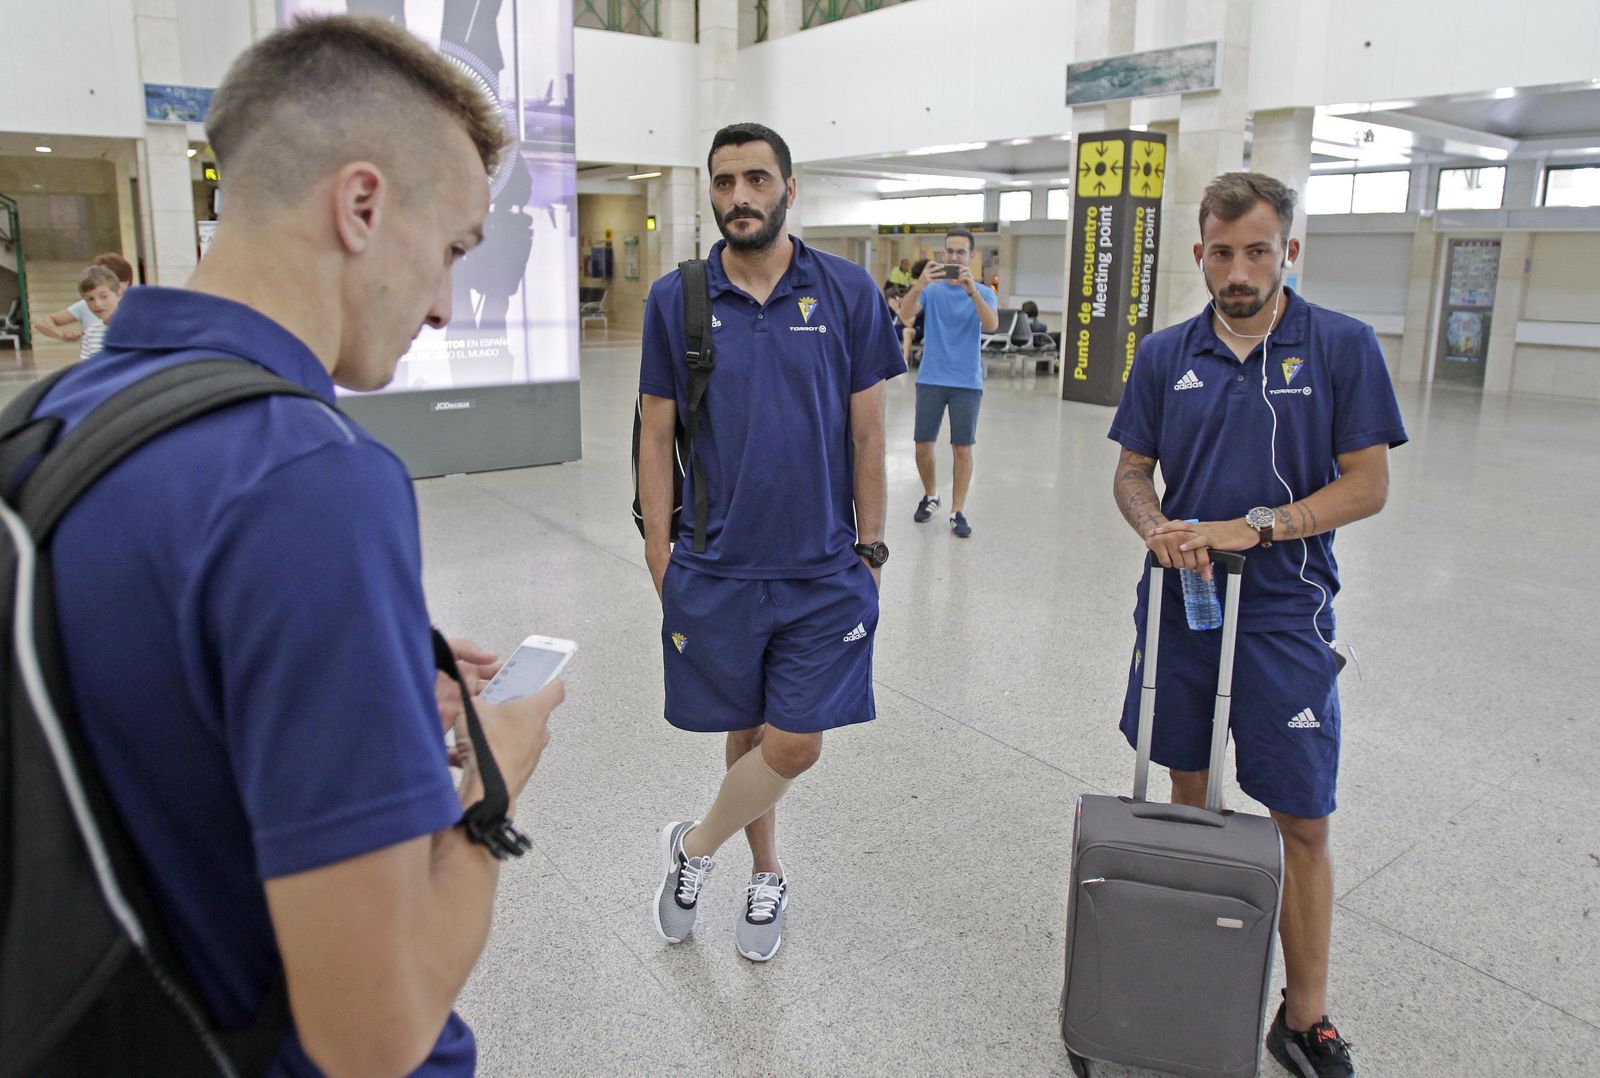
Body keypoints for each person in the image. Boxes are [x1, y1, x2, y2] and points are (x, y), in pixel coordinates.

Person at [35, 16, 563, 1075]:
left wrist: (365, 656)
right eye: (453, 247)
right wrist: (495, 778)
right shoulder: (306, 480)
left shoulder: (56, 417)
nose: (446, 308)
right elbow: (372, 1033)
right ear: (362, 204)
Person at [1109, 172, 1407, 1078]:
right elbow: (1130, 472)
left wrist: (1263, 526)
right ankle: (1190, 976)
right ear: (1199, 254)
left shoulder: (1342, 347)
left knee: (1302, 819)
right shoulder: (1167, 354)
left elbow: (1368, 483)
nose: (1239, 269)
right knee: (1187, 801)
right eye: (1222, 252)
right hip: (1184, 605)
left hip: (1285, 611)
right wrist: (1155, 525)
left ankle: (1303, 1015)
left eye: (1258, 251)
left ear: (1289, 252)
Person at [637, 121, 904, 963]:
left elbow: (868, 433)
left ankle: (696, 846)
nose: (740, 197)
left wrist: (871, 548)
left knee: (795, 741)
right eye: (724, 183)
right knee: (745, 726)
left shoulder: (848, 291)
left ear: (791, 188)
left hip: (824, 565)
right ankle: (767, 871)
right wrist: (658, 551)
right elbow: (655, 434)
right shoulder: (676, 299)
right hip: (717, 561)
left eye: (756, 179)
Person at [898, 227, 999, 538]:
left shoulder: (983, 292)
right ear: (942, 254)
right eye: (949, 252)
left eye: (960, 252)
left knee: (962, 448)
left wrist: (971, 290)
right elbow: (904, 315)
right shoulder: (931, 290)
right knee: (923, 444)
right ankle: (931, 496)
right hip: (931, 377)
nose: (953, 257)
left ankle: (957, 511)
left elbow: (991, 325)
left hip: (967, 382)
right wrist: (919, 284)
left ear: (970, 257)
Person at [31, 251, 134, 353]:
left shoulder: (138, 310)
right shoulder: (88, 305)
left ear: (126, 283)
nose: (98, 304)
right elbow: (41, 322)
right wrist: (61, 334)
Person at [72, 265, 124, 361]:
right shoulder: (90, 333)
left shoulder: (135, 329)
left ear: (119, 293)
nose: (97, 304)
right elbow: (87, 369)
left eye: (104, 296)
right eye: (90, 299)